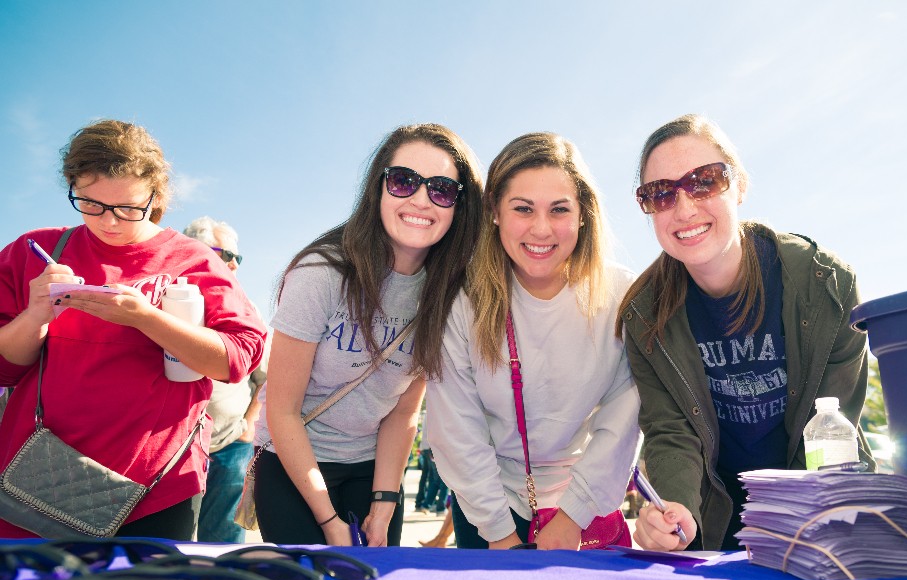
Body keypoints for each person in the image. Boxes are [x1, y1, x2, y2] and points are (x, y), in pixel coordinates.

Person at [0, 120, 266, 540]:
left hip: (158, 488)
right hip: (37, 483)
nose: (109, 222)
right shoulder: (35, 252)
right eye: (90, 204)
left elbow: (237, 359)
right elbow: (5, 370)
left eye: (128, 207)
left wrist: (147, 319)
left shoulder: (194, 260)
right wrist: (34, 316)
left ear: (156, 197)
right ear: (73, 186)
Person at [618, 114, 871, 553]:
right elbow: (671, 431)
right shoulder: (644, 314)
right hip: (717, 529)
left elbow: (835, 426)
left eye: (705, 181)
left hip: (820, 520)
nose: (684, 208)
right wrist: (675, 513)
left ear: (740, 186)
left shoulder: (827, 284)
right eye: (661, 193)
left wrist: (799, 531)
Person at [253, 123, 484, 547]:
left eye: (442, 190)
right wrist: (329, 521)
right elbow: (281, 411)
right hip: (294, 461)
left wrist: (384, 504)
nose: (419, 199)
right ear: (378, 187)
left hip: (373, 466)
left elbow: (402, 414)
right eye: (403, 181)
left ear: (459, 206)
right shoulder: (321, 272)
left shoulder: (447, 292)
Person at [426, 132, 641, 550]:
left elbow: (624, 417)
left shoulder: (622, 296)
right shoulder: (463, 299)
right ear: (494, 213)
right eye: (523, 209)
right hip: (488, 507)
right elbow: (457, 429)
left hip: (584, 505)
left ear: (583, 214)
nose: (541, 229)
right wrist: (498, 532)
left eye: (559, 209)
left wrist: (573, 515)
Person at [183, 216, 268, 543]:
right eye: (225, 254)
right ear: (195, 250)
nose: (234, 262)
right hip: (178, 447)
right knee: (173, 545)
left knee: (222, 545)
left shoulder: (248, 311)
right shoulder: (168, 300)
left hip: (230, 445)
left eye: (238, 257)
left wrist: (248, 428)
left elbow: (265, 378)